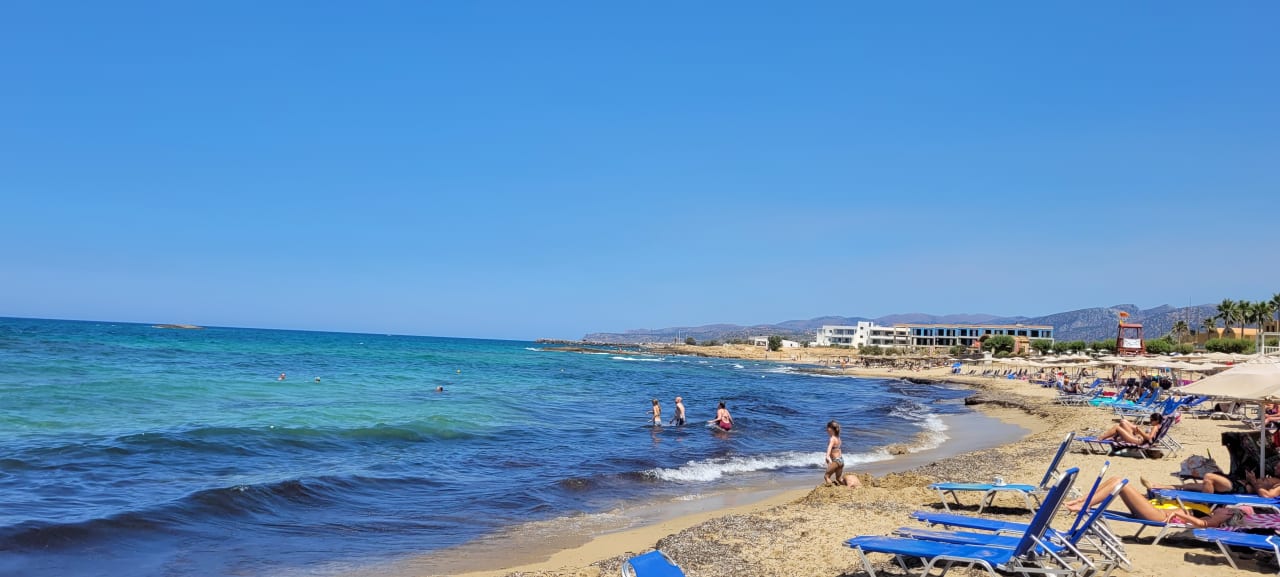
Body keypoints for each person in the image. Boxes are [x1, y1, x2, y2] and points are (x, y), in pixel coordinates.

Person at [1065, 476, 1260, 529]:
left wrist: (1179, 514)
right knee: (1116, 479)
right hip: (1159, 510)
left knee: (1121, 484)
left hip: (1160, 517)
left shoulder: (1221, 518)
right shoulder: (1220, 512)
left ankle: (1084, 505)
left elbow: (1202, 524)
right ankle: (1082, 501)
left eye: (1233, 510)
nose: (1229, 508)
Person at [1095, 413, 1163, 445]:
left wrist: (1140, 431)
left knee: (1117, 427)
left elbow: (1149, 438)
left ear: (1156, 421)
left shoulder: (1155, 427)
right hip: (1137, 437)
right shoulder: (1158, 426)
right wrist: (1138, 431)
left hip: (1138, 441)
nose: (1150, 421)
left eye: (1151, 420)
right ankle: (1114, 437)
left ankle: (1101, 438)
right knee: (1123, 422)